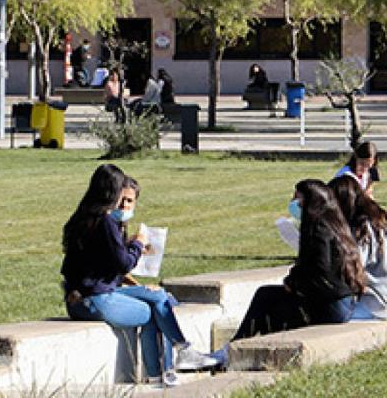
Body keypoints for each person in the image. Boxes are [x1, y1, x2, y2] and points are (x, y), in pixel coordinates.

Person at [61, 165, 218, 386]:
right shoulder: (105, 221)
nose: (122, 201)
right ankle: (174, 359)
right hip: (96, 300)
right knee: (155, 310)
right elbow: (124, 263)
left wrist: (139, 283)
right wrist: (137, 245)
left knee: (158, 297)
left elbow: (99, 265)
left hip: (82, 298)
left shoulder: (82, 218)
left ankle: (164, 369)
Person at [213, 180, 363, 369]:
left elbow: (320, 271)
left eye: (297, 199)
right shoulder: (336, 225)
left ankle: (232, 351)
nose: (294, 203)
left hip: (332, 307)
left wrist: (294, 284)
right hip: (344, 304)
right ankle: (242, 352)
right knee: (271, 301)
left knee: (265, 298)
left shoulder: (318, 229)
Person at [333, 141, 387, 276]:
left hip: (366, 212)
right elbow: (356, 203)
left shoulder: (366, 175)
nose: (364, 168)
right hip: (354, 215)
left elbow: (369, 200)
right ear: (355, 158)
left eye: (368, 165)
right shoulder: (346, 177)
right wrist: (382, 212)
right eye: (362, 164)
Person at [329, 176, 387, 321]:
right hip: (385, 299)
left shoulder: (363, 229)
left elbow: (353, 266)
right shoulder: (379, 220)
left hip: (373, 303)